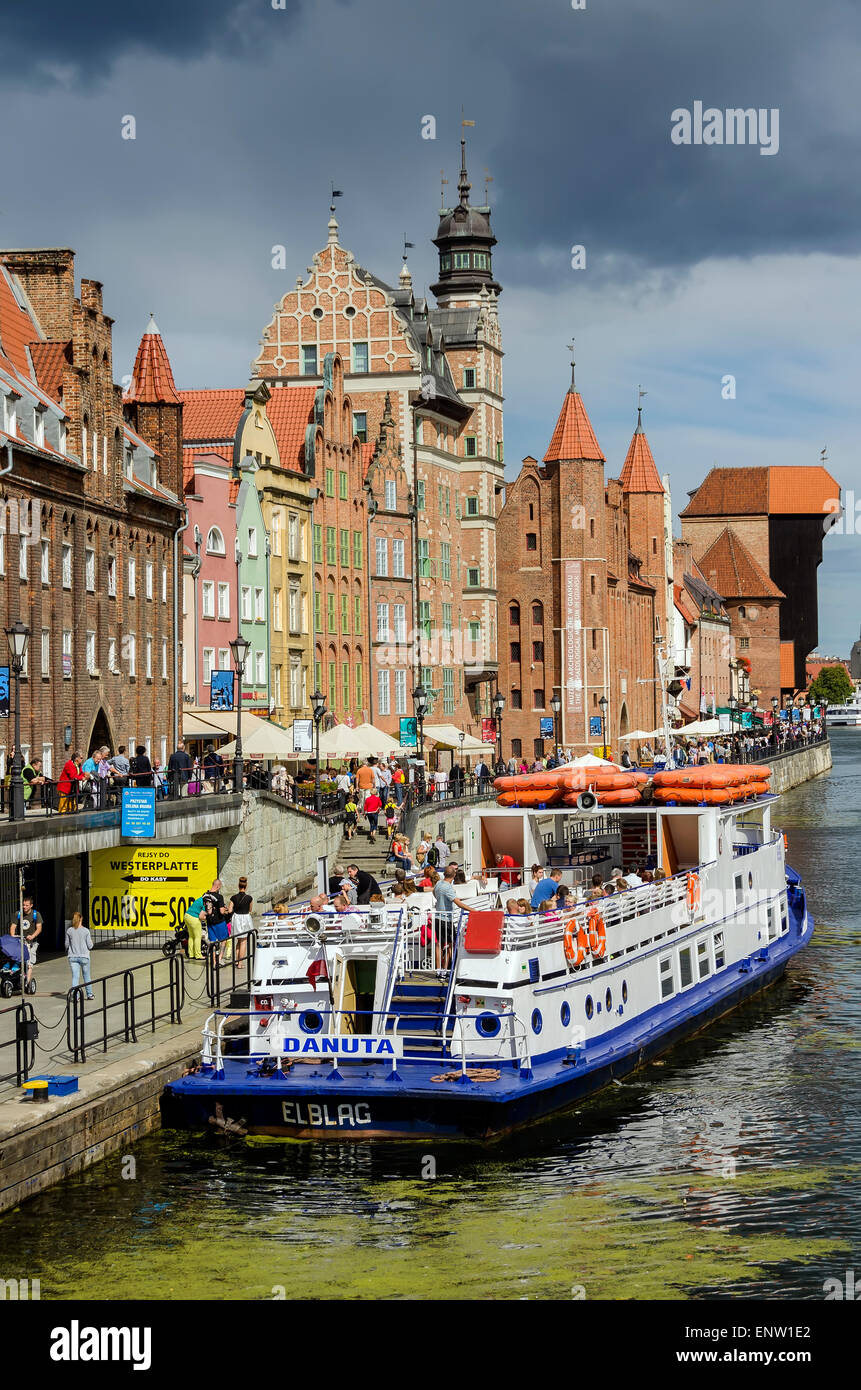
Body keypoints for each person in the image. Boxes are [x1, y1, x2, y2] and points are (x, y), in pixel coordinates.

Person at [65, 910, 94, 999]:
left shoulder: (69, 930)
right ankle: (89, 994)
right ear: (81, 918)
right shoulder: (86, 931)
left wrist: (69, 950)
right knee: (86, 976)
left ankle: (75, 996)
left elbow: (66, 944)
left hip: (73, 957)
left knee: (75, 977)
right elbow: (90, 945)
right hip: (84, 956)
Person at [202, 879, 231, 962]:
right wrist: (227, 910)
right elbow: (222, 911)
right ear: (218, 886)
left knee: (213, 941)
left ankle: (214, 961)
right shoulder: (219, 896)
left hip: (210, 922)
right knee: (224, 940)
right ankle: (220, 958)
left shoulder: (204, 895)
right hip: (219, 922)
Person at [229, 877, 254, 964]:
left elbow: (230, 910)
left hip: (236, 918)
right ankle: (240, 963)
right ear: (246, 886)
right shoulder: (249, 898)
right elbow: (250, 910)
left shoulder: (233, 897)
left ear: (238, 886)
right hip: (245, 918)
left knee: (238, 941)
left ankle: (236, 960)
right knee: (244, 941)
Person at [16, 895, 43, 963]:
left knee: (30, 962)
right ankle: (24, 973)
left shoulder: (36, 914)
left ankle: (28, 973)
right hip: (21, 941)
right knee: (22, 960)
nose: (24, 907)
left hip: (32, 942)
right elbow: (13, 926)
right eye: (23, 905)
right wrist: (13, 935)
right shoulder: (18, 913)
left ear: (31, 905)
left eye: (27, 905)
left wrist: (32, 936)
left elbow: (39, 929)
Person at [184, 891, 206, 960]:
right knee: (197, 937)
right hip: (194, 918)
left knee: (191, 936)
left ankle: (191, 954)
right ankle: (198, 955)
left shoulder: (199, 899)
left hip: (187, 916)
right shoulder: (205, 903)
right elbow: (201, 917)